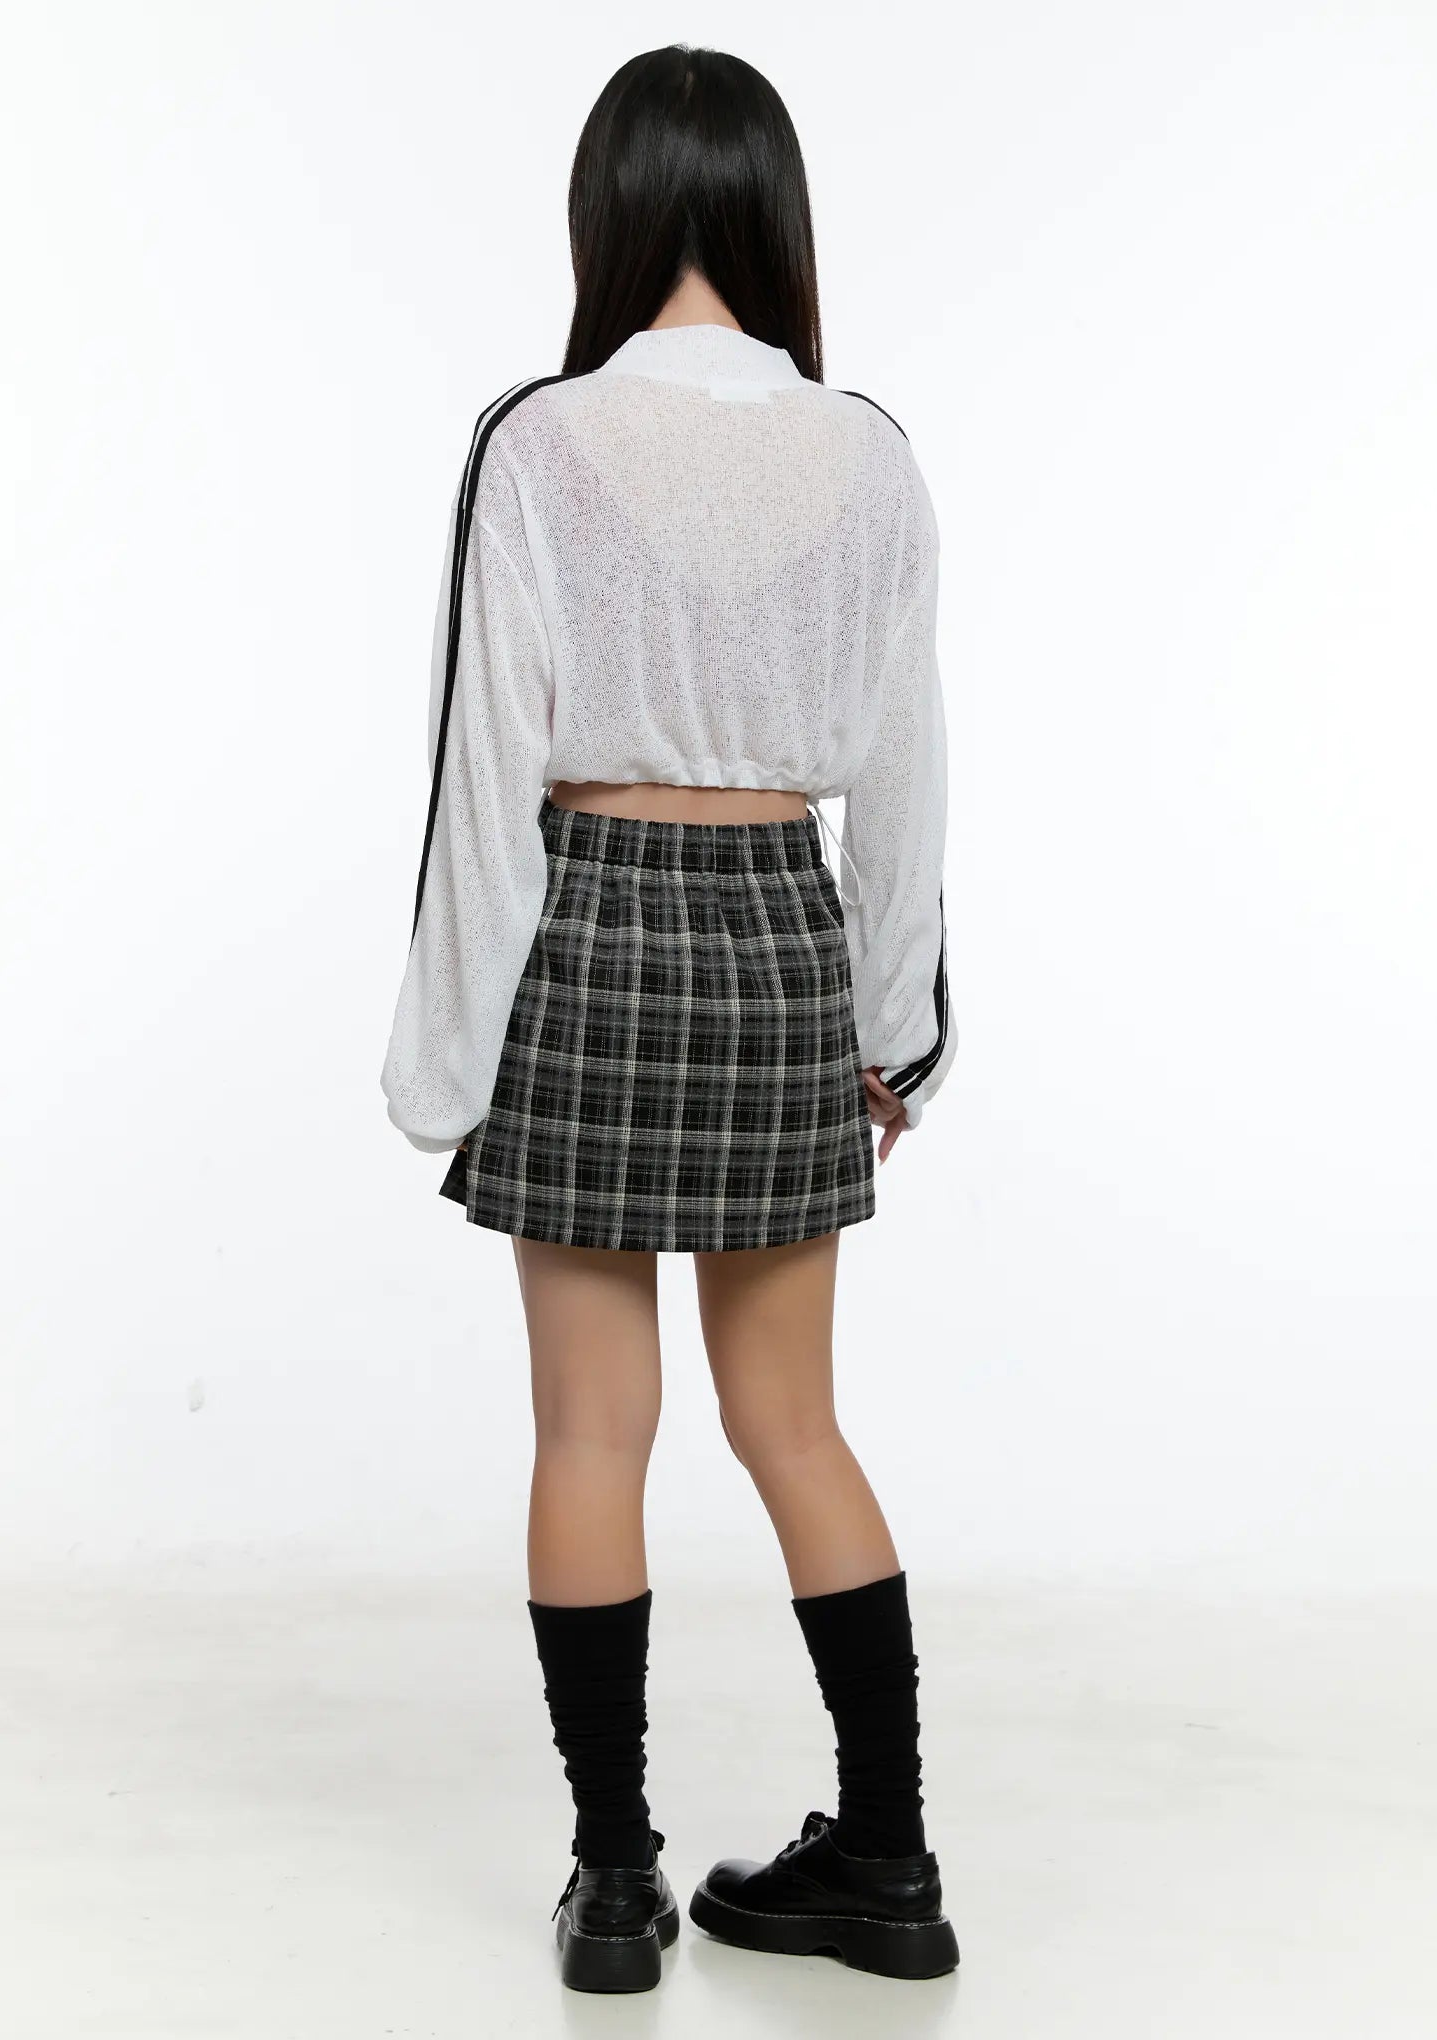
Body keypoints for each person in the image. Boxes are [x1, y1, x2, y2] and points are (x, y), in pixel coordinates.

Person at [381, 43, 958, 1995]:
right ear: (778, 217)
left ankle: (616, 1884)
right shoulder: (870, 453)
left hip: (591, 936)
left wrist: (443, 1063)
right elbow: (906, 776)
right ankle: (889, 1865)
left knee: (590, 1428)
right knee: (793, 1421)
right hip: (784, 935)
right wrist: (900, 1028)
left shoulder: (538, 441)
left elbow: (483, 771)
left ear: (608, 215)